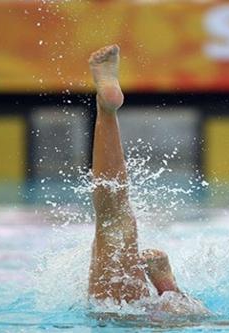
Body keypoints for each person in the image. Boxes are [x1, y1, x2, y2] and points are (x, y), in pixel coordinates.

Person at [87, 44, 206, 314]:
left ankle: (169, 290)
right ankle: (169, 291)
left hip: (128, 318)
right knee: (113, 220)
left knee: (115, 220)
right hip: (122, 317)